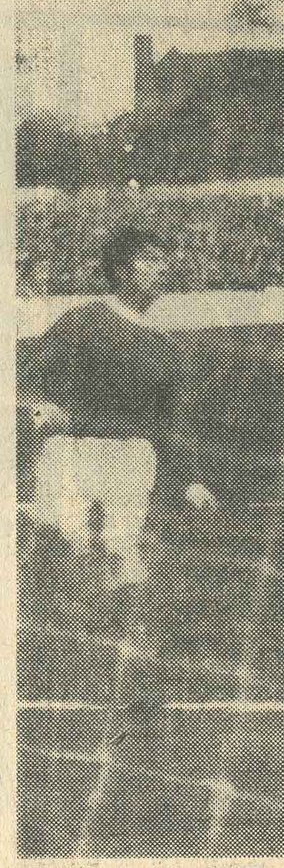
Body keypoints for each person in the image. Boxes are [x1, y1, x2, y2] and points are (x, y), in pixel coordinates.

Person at [17, 228, 218, 625]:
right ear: (122, 270)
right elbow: (28, 381)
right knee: (59, 552)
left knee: (123, 560)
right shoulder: (84, 321)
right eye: (150, 259)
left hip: (131, 458)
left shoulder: (166, 348)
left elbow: (174, 423)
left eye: (165, 260)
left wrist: (191, 479)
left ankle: (116, 660)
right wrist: (40, 413)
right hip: (72, 452)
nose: (162, 269)